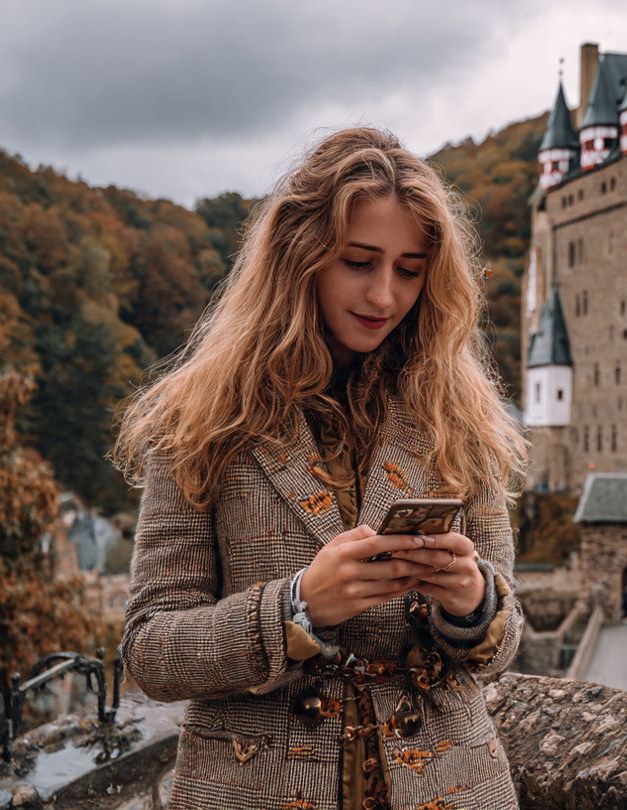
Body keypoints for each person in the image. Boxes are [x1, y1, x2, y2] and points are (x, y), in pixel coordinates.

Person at [113, 127, 527, 810]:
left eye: (409, 269)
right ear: (301, 255)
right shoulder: (201, 418)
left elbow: (506, 637)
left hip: (451, 785)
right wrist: (298, 605)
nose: (385, 296)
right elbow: (151, 650)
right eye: (360, 262)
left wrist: (471, 599)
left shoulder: (459, 415)